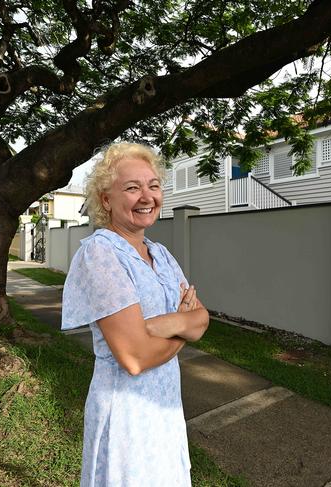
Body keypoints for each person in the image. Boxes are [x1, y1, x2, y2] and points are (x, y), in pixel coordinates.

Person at [61, 142, 209, 487]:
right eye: (132, 187)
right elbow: (134, 357)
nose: (147, 196)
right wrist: (184, 330)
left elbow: (202, 318)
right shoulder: (100, 253)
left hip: (166, 408)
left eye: (153, 185)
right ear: (106, 200)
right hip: (126, 417)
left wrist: (166, 325)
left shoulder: (161, 253)